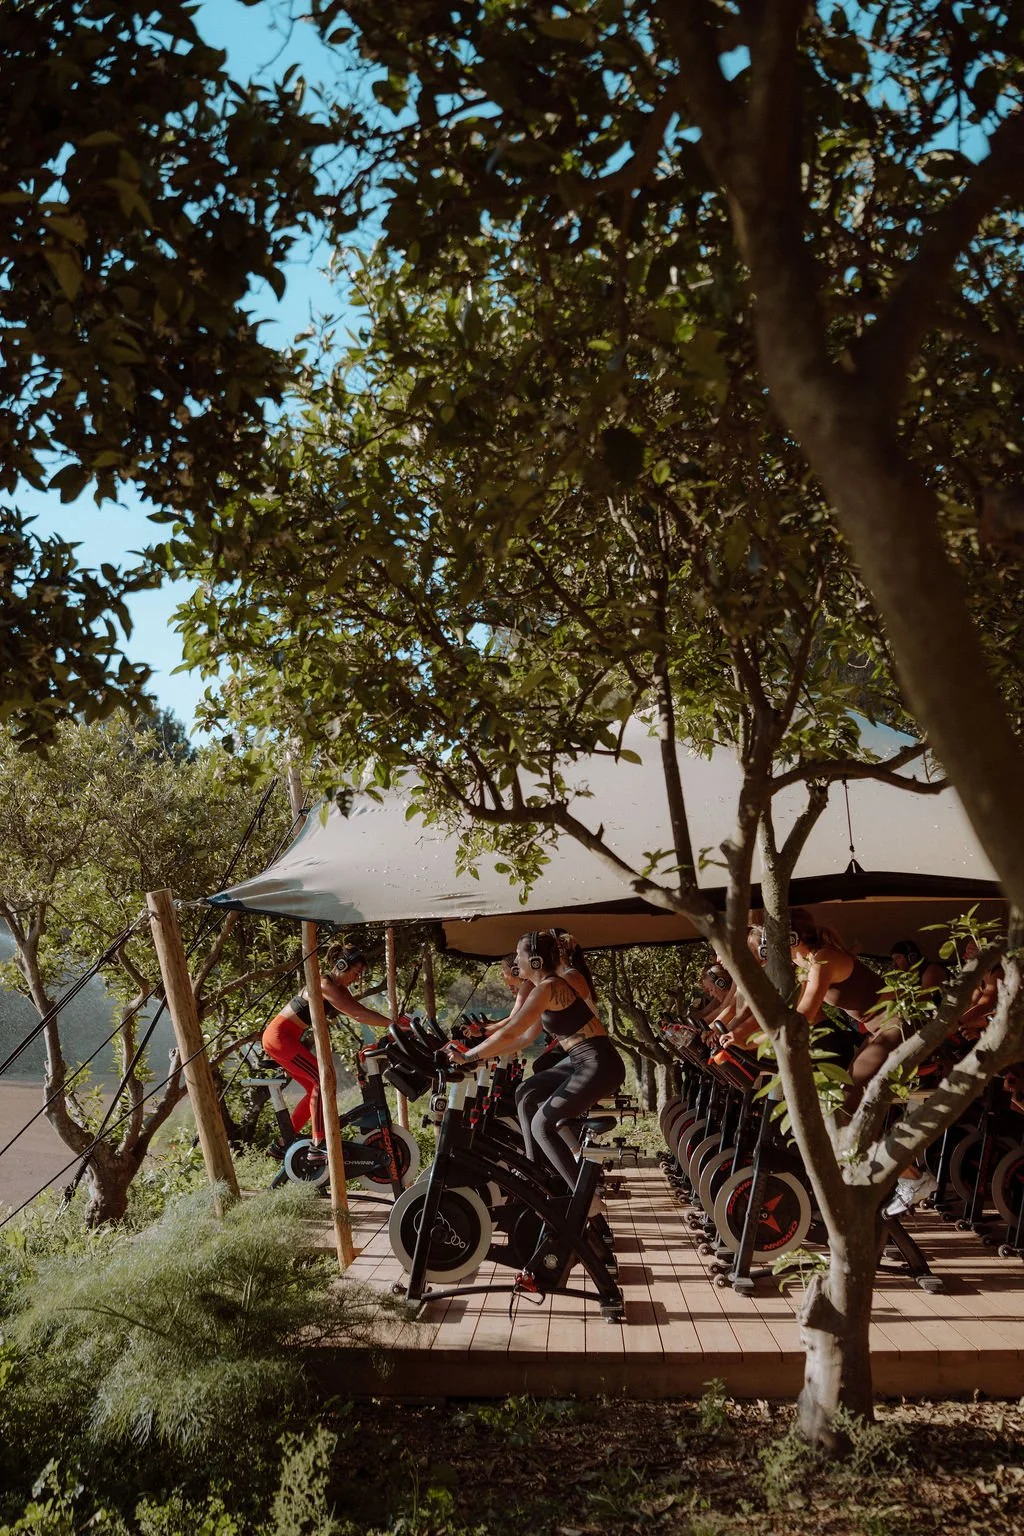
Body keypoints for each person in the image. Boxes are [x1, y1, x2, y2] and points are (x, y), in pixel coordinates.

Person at [445, 930, 625, 1191]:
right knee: (525, 1092)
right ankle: (535, 1171)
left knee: (542, 1123)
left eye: (520, 955)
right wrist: (479, 1053)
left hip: (599, 1063)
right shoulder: (544, 989)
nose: (516, 962)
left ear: (537, 961)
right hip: (580, 1060)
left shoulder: (550, 987)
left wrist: (468, 1056)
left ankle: (585, 1200)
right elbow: (523, 1038)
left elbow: (511, 1031)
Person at [261, 944, 387, 1150]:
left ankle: (286, 1141)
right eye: (355, 973)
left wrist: (392, 1022)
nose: (356, 979)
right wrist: (392, 1023)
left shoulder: (340, 989)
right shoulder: (323, 984)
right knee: (322, 1079)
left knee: (314, 1086)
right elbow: (356, 1014)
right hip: (279, 1037)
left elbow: (360, 1009)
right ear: (341, 965)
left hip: (284, 1038)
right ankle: (319, 1143)